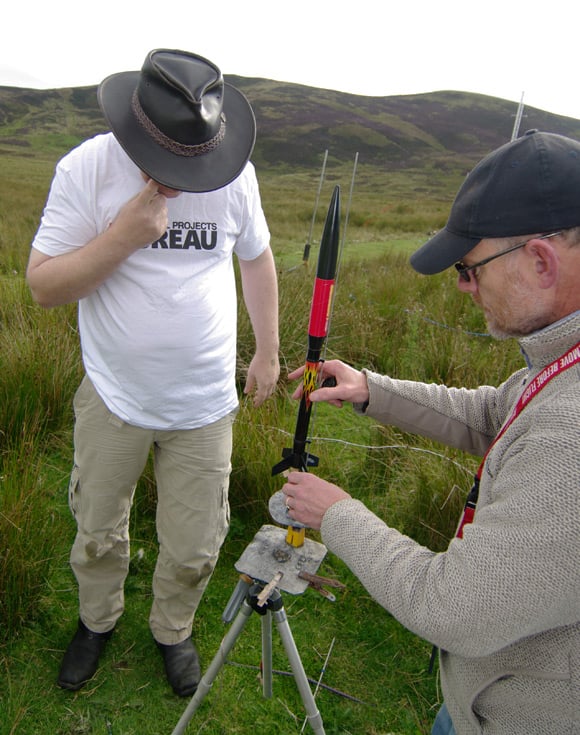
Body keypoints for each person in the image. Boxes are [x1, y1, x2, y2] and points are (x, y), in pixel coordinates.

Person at [281, 130, 580, 734]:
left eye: (468, 270)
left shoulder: (569, 440)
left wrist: (334, 513)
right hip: (486, 698)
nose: (464, 288)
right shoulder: (562, 365)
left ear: (542, 261)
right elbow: (500, 414)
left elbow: (456, 608)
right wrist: (374, 390)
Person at [26, 49, 280, 697]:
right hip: (114, 397)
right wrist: (122, 236)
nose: (180, 176)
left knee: (197, 542)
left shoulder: (235, 176)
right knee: (98, 526)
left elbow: (255, 259)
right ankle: (97, 619)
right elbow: (44, 286)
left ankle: (173, 628)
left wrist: (268, 350)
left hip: (204, 405)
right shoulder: (86, 167)